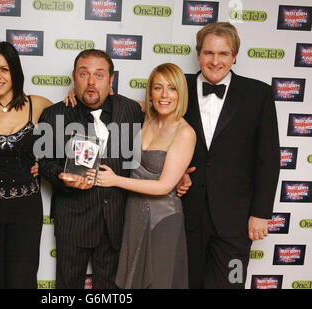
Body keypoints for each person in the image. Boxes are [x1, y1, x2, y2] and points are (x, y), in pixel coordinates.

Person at [179, 22, 280, 289]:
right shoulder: (177, 88)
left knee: (231, 285)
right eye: (208, 53)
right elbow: (153, 132)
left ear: (234, 56)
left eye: (223, 54)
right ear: (198, 54)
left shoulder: (258, 94)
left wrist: (261, 213)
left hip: (235, 221)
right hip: (185, 215)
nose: (215, 61)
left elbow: (268, 159)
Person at [37, 49, 144, 288]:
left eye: (99, 75)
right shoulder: (54, 114)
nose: (91, 82)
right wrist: (62, 177)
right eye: (84, 74)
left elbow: (159, 136)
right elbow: (43, 163)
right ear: (74, 77)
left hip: (116, 220)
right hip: (74, 219)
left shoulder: (131, 110)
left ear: (111, 79)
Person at [93, 63, 195, 288]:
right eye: (158, 88)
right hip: (134, 216)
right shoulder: (146, 117)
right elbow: (104, 96)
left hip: (163, 219)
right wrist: (76, 92)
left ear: (181, 93)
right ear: (150, 92)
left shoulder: (185, 132)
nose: (164, 95)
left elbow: (163, 186)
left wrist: (115, 180)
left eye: (172, 88)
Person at [0, 41, 52, 288]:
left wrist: (47, 165)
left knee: (22, 281)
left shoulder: (38, 105)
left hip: (26, 210)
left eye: (4, 69)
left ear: (16, 70)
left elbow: (73, 123)